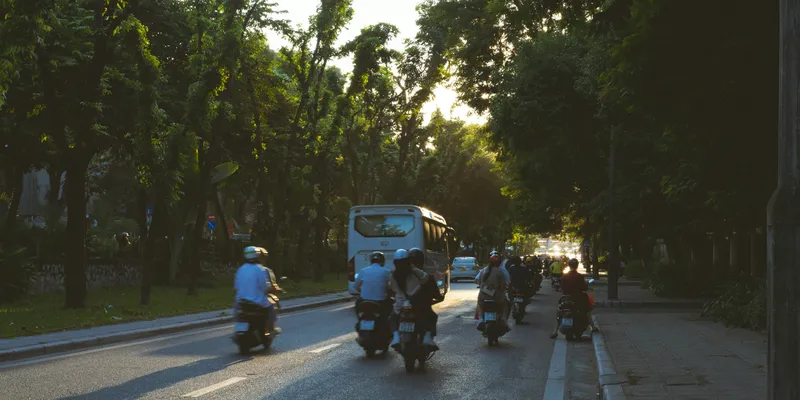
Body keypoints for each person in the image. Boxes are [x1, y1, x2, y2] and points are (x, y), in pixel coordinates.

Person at [390, 249, 440, 350]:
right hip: (416, 304)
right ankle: (427, 337)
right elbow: (426, 279)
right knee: (432, 316)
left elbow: (392, 288)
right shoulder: (416, 272)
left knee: (392, 317)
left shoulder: (393, 275)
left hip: (400, 305)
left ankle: (395, 337)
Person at [234, 246, 282, 334]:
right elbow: (265, 286)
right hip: (256, 301)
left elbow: (236, 286)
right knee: (270, 306)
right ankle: (272, 328)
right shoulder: (260, 269)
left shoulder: (241, 269)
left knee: (237, 311)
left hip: (241, 301)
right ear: (257, 255)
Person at [549, 258, 599, 338]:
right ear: (577, 266)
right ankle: (593, 327)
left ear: (569, 265)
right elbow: (583, 287)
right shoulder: (579, 276)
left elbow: (562, 288)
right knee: (587, 310)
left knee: (560, 311)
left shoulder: (565, 276)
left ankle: (555, 331)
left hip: (566, 297)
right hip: (578, 297)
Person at [353, 252, 393, 339]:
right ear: (382, 261)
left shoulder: (363, 271)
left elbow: (355, 286)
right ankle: (389, 329)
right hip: (381, 302)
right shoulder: (386, 272)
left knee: (357, 305)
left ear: (371, 261)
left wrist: (362, 291)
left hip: (364, 301)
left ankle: (360, 322)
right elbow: (391, 287)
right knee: (390, 314)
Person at [475, 253, 510, 332]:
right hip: (497, 297)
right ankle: (503, 319)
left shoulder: (483, 270)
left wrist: (484, 287)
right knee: (506, 303)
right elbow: (503, 286)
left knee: (480, 305)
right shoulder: (500, 272)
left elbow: (477, 280)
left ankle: (480, 320)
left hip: (483, 296)